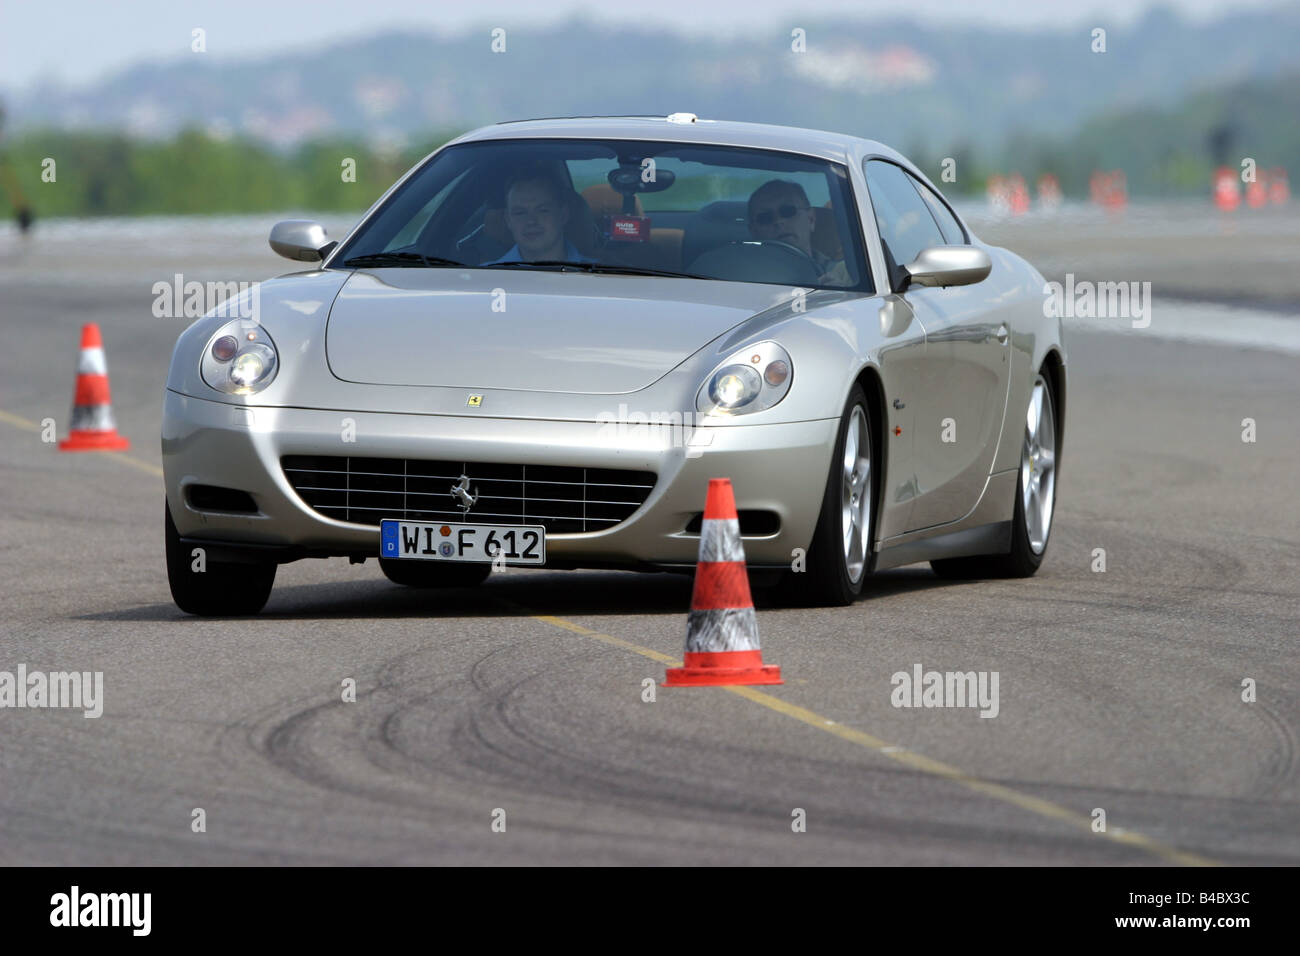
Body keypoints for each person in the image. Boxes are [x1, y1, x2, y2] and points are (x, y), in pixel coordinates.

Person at [746, 179, 850, 285]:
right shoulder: (740, 276)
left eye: (788, 211)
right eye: (765, 217)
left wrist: (842, 297)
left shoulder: (847, 274)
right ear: (753, 231)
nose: (778, 221)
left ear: (811, 219)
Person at [482, 168, 591, 264]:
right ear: (508, 220)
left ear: (563, 215)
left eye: (543, 210)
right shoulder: (483, 281)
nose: (531, 221)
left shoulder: (601, 278)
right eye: (520, 213)